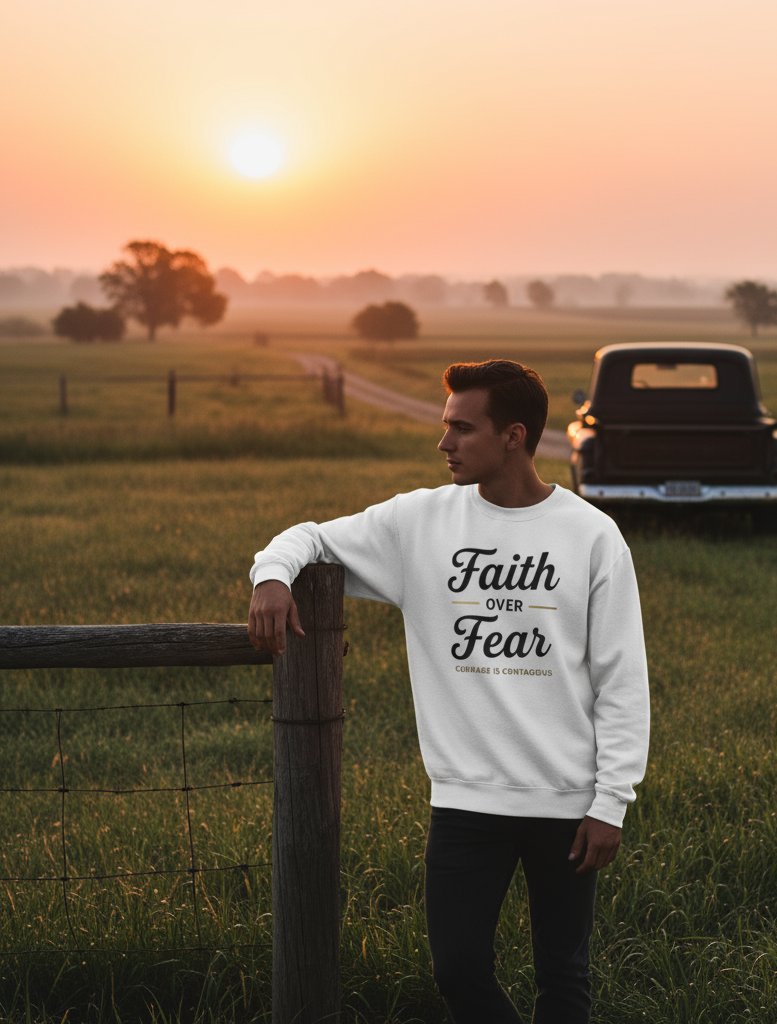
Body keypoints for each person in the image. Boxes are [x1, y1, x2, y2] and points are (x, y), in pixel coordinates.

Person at [248, 359, 649, 1023]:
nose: (444, 443)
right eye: (445, 427)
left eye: (462, 428)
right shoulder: (420, 524)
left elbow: (622, 679)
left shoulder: (590, 536)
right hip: (467, 803)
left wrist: (613, 800)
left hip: (567, 804)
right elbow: (312, 537)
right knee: (458, 970)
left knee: (563, 978)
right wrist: (272, 577)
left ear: (513, 436)